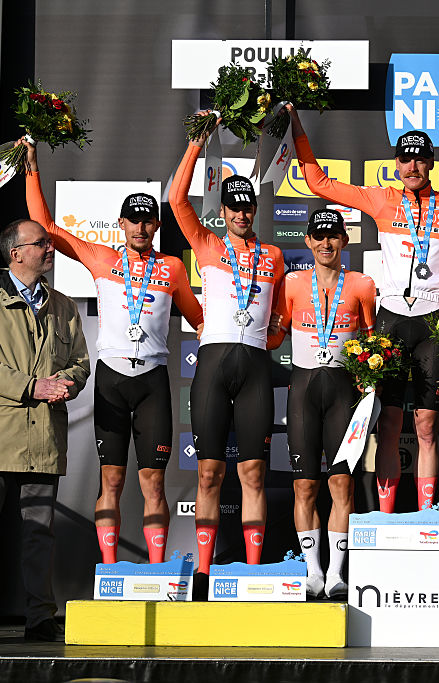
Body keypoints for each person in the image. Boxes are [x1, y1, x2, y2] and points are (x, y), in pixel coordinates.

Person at [21, 140, 203, 565]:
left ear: (157, 226)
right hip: (112, 379)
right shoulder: (101, 259)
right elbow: (45, 225)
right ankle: (109, 571)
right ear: (121, 223)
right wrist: (32, 167)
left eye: (149, 222)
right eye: (134, 221)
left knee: (153, 483)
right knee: (112, 479)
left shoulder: (173, 268)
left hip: (153, 380)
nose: (141, 228)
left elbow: (200, 320)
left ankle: (156, 574)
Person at [288, 105, 439, 511]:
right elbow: (317, 181)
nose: (413, 166)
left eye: (420, 159)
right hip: (390, 319)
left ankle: (428, 515)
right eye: (405, 159)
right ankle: (389, 519)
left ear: (431, 164)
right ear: (396, 165)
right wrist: (295, 125)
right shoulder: (381, 200)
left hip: (434, 322)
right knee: (388, 424)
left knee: (428, 425)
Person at [0, 218, 90, 642]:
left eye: (48, 242)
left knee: (38, 531)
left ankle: (39, 617)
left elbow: (81, 363)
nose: (50, 249)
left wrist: (67, 381)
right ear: (16, 254)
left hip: (44, 436)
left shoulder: (63, 305)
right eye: (41, 243)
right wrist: (32, 386)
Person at [171, 115, 284, 576]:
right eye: (233, 208)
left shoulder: (274, 256)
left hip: (256, 365)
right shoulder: (206, 244)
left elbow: (281, 320)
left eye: (248, 207)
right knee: (208, 474)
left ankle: (254, 568)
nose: (241, 214)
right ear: (222, 212)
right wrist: (197, 141)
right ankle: (202, 571)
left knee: (254, 474)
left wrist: (274, 334)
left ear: (254, 210)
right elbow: (177, 199)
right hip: (214, 363)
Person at [267, 209, 376, 597]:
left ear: (344, 241)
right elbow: (274, 336)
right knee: (305, 488)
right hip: (304, 388)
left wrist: (371, 382)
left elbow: (370, 342)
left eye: (334, 237)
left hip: (343, 391)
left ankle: (337, 574)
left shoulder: (362, 284)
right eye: (319, 237)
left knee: (342, 483)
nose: (327, 243)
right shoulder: (292, 283)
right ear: (309, 242)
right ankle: (313, 572)